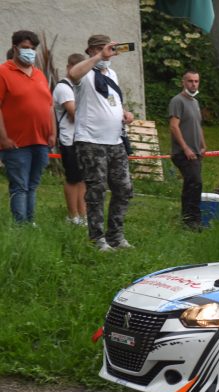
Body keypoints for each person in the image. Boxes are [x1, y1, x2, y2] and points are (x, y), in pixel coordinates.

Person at [68, 35, 134, 251]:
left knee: (123, 187)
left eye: (111, 49)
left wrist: (124, 113)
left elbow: (109, 101)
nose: (109, 53)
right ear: (92, 50)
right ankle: (97, 239)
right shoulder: (85, 72)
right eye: (104, 49)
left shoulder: (111, 73)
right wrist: (97, 57)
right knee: (96, 189)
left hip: (115, 141)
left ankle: (116, 235)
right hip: (91, 141)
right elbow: (73, 74)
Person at [0, 30, 56, 224]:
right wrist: (3, 137)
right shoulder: (3, 72)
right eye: (25, 48)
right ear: (15, 48)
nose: (30, 52)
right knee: (20, 186)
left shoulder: (39, 74)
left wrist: (52, 133)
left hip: (41, 141)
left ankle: (30, 222)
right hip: (16, 142)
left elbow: (49, 106)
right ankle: (20, 226)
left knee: (32, 185)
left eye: (33, 49)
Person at [169, 70, 206, 229]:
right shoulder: (177, 101)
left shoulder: (195, 102)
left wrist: (203, 145)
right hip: (183, 153)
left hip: (196, 152)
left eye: (196, 81)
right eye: (190, 81)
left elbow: (198, 125)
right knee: (194, 183)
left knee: (193, 184)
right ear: (183, 82)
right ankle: (191, 221)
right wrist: (186, 148)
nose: (193, 84)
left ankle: (191, 220)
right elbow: (173, 126)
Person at [53, 53, 87, 226]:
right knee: (73, 178)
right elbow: (75, 114)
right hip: (69, 139)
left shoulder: (80, 87)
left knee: (82, 179)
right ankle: (72, 215)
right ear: (69, 67)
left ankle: (83, 214)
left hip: (82, 138)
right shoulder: (63, 87)